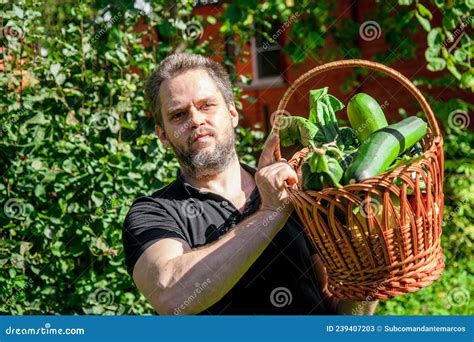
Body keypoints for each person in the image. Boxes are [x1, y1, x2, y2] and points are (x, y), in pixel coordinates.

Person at [122, 53, 378, 315]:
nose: (196, 120)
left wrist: (369, 277)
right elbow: (170, 294)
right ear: (163, 135)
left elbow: (332, 305)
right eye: (178, 114)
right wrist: (269, 213)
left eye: (207, 105)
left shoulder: (295, 192)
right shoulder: (153, 213)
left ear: (232, 113)